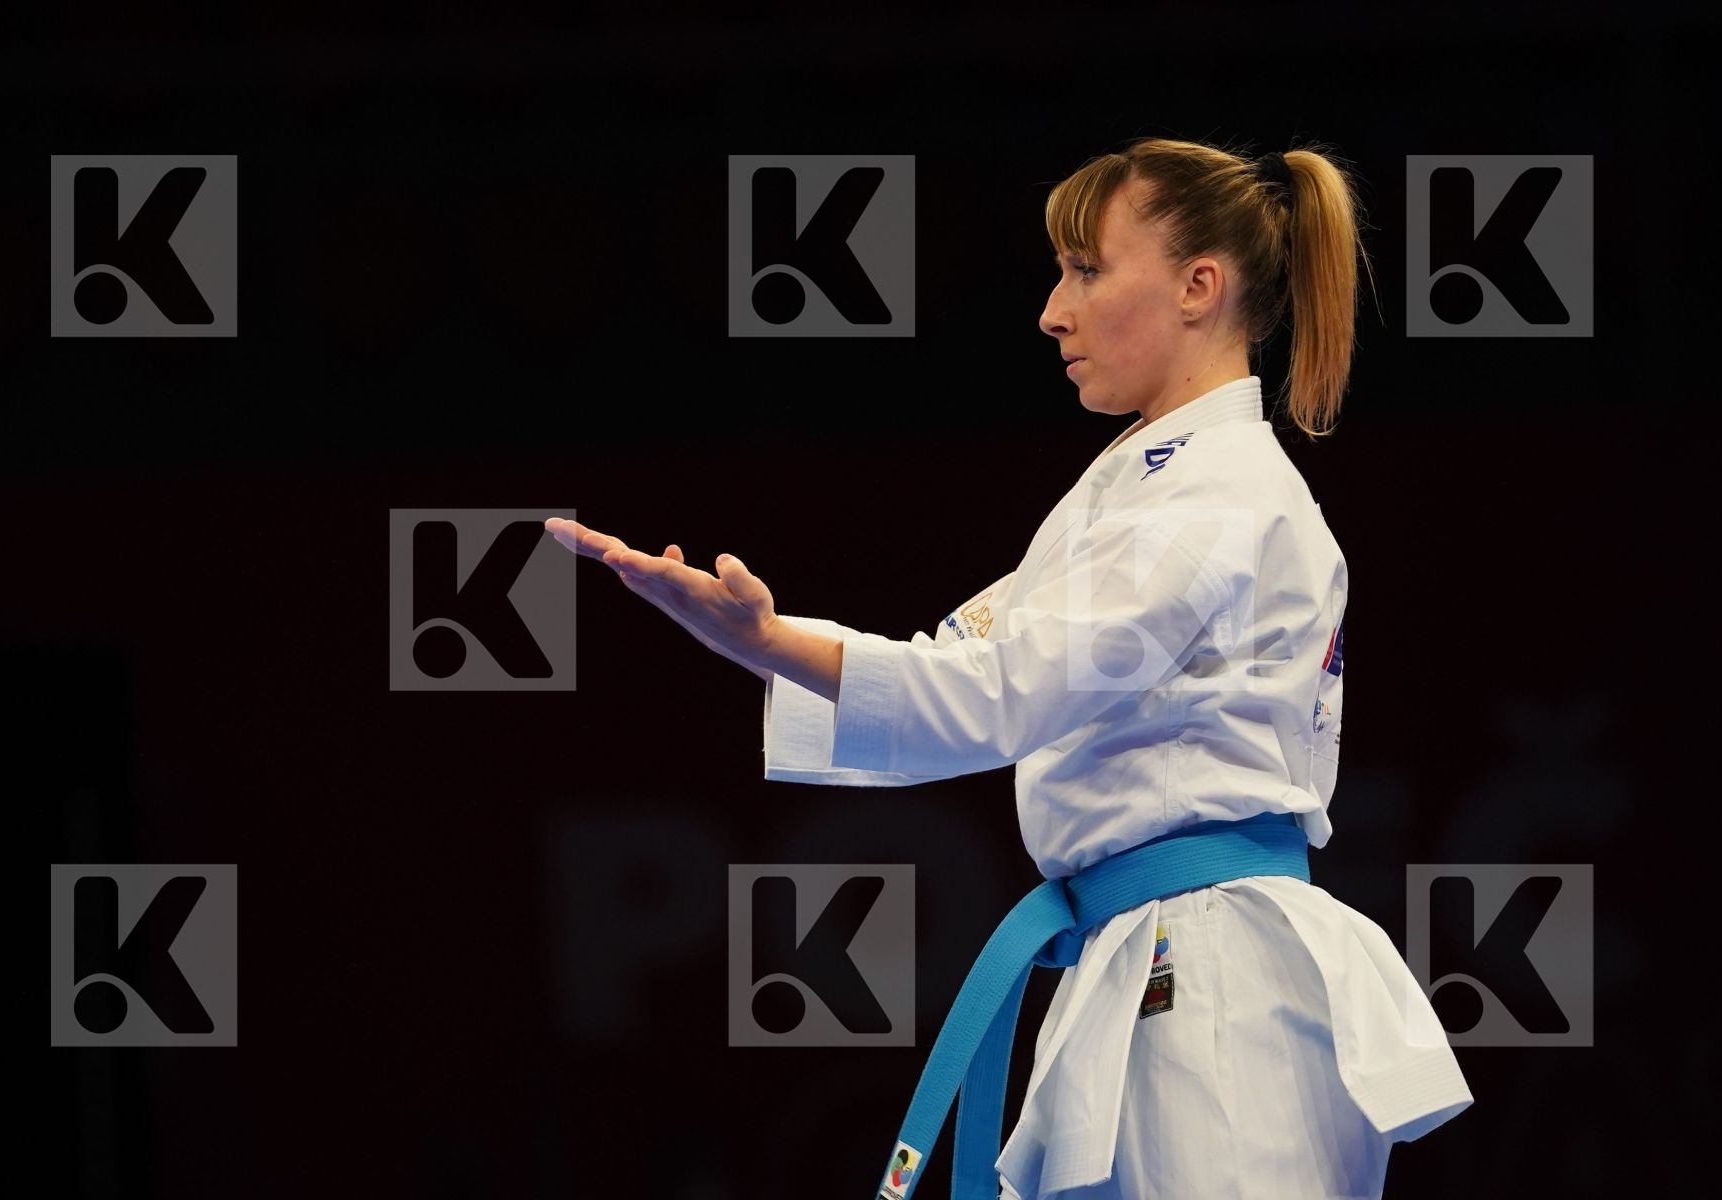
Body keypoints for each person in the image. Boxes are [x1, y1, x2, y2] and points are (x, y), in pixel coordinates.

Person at [545, 136, 1472, 1200]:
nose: (1051, 311)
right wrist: (759, 638)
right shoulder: (1132, 492)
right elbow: (961, 665)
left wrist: (764, 644)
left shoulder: (1216, 498)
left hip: (1215, 982)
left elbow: (997, 695)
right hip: (1147, 961)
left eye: (1086, 270)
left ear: (1197, 288)